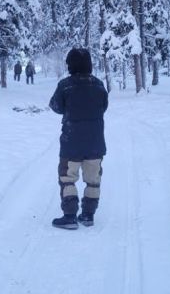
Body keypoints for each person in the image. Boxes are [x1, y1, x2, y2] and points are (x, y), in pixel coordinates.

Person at [48, 48, 108, 230]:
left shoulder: (65, 85)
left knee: (67, 178)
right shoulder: (99, 85)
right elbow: (104, 106)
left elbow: (55, 106)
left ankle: (69, 216)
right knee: (93, 179)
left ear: (71, 65)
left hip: (71, 142)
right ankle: (88, 215)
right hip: (95, 142)